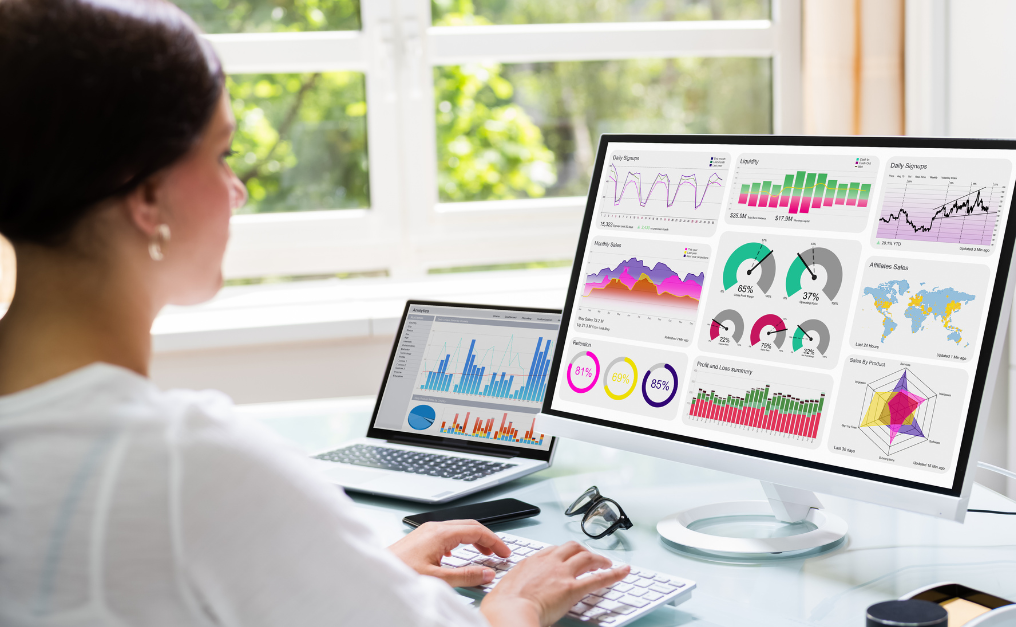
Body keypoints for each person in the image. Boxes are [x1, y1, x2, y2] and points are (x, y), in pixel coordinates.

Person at [0, 0, 629, 625]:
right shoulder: (185, 466)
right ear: (147, 194)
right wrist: (517, 601)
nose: (236, 190)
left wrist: (351, 576)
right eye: (221, 155)